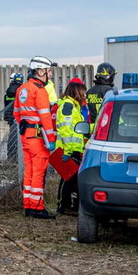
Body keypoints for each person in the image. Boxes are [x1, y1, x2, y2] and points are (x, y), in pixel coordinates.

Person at [14, 56, 57, 219]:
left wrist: (27, 126)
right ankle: (37, 207)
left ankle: (28, 205)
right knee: (39, 171)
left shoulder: (22, 89)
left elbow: (16, 114)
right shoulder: (40, 90)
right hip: (38, 137)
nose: (50, 75)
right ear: (40, 71)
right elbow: (45, 117)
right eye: (48, 71)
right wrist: (51, 139)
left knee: (30, 171)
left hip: (26, 136)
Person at [55, 78, 88, 216]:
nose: (84, 95)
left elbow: (77, 128)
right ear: (77, 92)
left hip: (73, 149)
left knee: (70, 179)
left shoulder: (73, 106)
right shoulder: (68, 106)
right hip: (67, 149)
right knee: (67, 179)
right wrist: (68, 151)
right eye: (83, 93)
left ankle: (68, 205)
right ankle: (63, 206)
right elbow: (66, 130)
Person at [3, 72, 24, 159]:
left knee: (12, 137)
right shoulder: (22, 90)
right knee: (19, 138)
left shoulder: (9, 90)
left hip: (10, 116)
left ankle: (11, 156)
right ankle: (18, 157)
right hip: (18, 116)